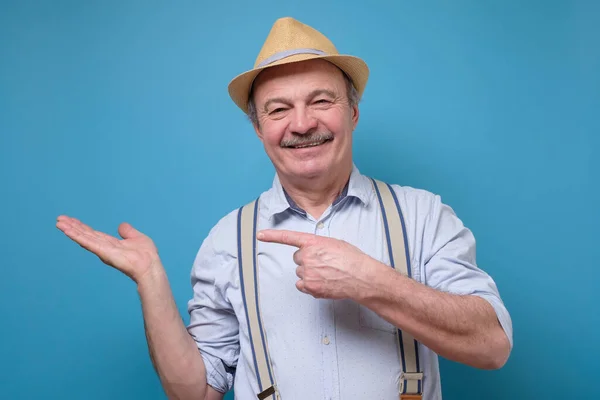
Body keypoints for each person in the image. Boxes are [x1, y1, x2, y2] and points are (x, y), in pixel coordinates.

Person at [56, 17, 512, 400]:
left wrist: (370, 281)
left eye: (321, 101)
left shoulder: (424, 215)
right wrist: (151, 281)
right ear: (259, 129)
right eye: (278, 110)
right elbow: (195, 392)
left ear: (352, 113)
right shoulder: (226, 240)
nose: (302, 123)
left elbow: (492, 347)